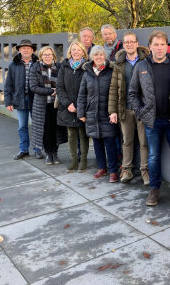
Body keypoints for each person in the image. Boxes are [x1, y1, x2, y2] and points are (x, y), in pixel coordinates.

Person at [130, 31, 170, 206]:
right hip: (152, 121)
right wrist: (141, 113)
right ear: (150, 46)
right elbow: (133, 93)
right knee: (153, 157)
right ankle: (154, 189)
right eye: (156, 44)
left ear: (167, 46)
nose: (159, 48)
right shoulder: (141, 66)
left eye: (162, 44)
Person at [108, 31, 150, 185]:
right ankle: (127, 169)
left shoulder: (146, 61)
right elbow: (113, 88)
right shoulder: (119, 63)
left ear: (137, 43)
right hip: (125, 108)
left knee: (144, 141)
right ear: (123, 44)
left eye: (132, 42)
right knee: (127, 141)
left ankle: (145, 170)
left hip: (143, 109)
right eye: (126, 42)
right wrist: (112, 111)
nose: (129, 45)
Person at [77, 45, 120, 183]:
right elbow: (82, 94)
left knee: (110, 143)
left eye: (101, 55)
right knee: (96, 142)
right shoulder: (87, 73)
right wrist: (81, 112)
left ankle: (113, 170)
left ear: (105, 57)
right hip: (92, 113)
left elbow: (116, 92)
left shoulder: (111, 71)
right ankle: (102, 167)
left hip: (107, 113)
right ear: (92, 57)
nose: (99, 57)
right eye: (96, 55)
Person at [4, 39, 43, 160]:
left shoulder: (38, 63)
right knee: (22, 126)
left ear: (32, 50)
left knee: (37, 125)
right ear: (19, 50)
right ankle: (24, 149)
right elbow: (8, 84)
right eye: (23, 48)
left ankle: (37, 149)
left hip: (35, 99)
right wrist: (8, 101)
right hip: (20, 99)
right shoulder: (13, 65)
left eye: (28, 48)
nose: (26, 50)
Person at [29, 46, 67, 165]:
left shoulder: (60, 67)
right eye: (45, 55)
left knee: (56, 129)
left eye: (49, 54)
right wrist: (51, 91)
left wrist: (58, 90)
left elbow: (65, 83)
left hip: (57, 104)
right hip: (41, 105)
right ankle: (48, 153)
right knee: (45, 130)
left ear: (53, 56)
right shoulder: (35, 67)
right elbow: (33, 87)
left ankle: (55, 153)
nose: (47, 57)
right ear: (41, 56)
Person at [56, 40, 89, 173]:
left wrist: (80, 106)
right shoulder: (64, 66)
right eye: (74, 49)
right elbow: (59, 87)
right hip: (68, 107)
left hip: (82, 106)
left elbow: (89, 88)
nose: (76, 52)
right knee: (71, 135)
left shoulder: (87, 66)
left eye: (79, 49)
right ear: (70, 51)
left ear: (83, 52)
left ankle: (84, 160)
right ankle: (74, 160)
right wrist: (67, 104)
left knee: (83, 134)